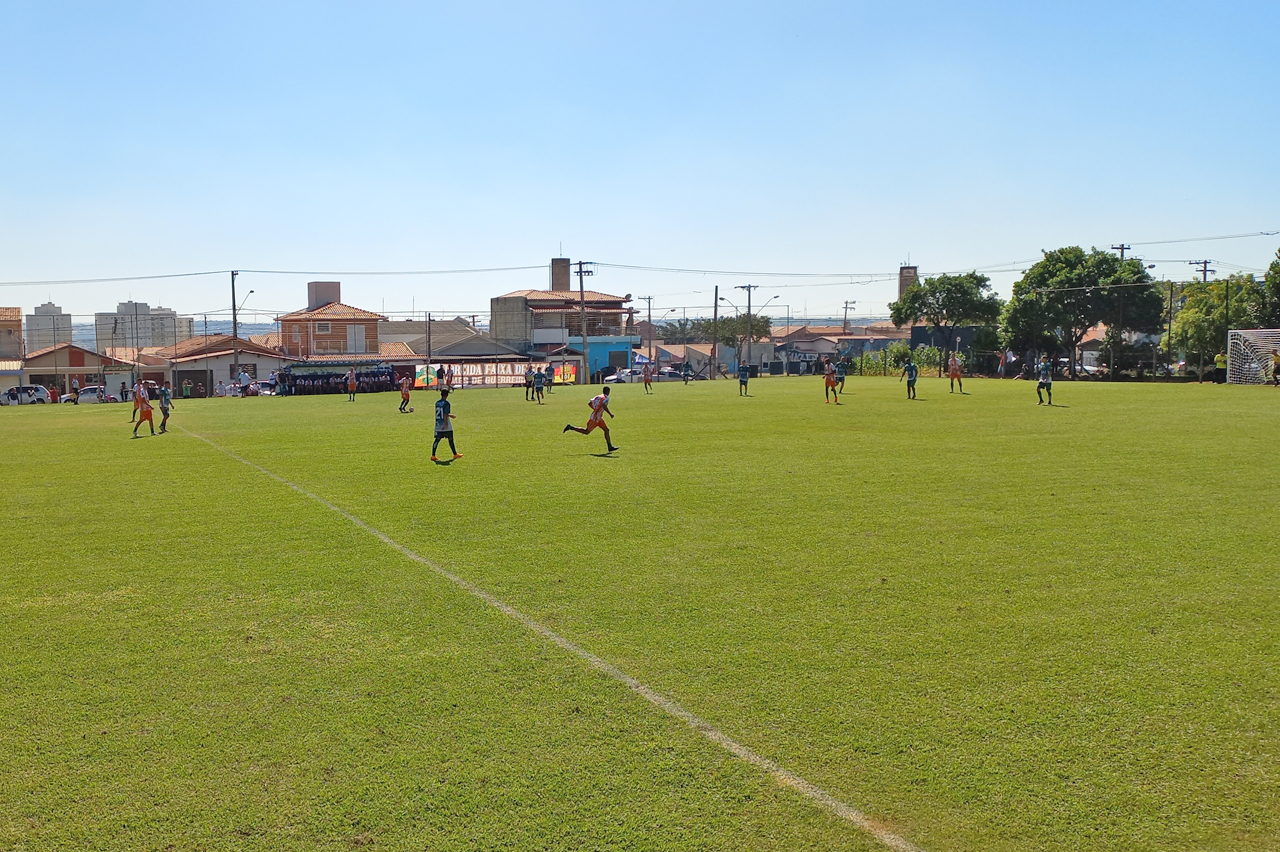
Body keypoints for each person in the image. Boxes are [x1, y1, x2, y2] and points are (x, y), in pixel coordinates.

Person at [563, 386, 619, 453]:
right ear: (608, 392)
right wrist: (610, 414)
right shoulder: (606, 398)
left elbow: (589, 403)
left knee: (606, 430)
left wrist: (595, 409)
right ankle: (570, 427)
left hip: (599, 418)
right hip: (595, 419)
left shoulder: (598, 396)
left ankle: (610, 447)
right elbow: (604, 406)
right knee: (586, 432)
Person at [431, 388, 462, 461]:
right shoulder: (447, 403)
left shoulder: (437, 403)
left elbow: (442, 413)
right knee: (450, 439)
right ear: (447, 395)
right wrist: (445, 424)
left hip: (438, 423)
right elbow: (445, 414)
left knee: (437, 440)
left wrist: (450, 415)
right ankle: (455, 454)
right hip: (445, 424)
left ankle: (433, 455)